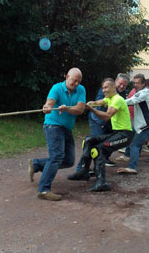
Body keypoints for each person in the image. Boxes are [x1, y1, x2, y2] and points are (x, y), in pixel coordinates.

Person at [28, 68, 86, 201]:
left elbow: (80, 109)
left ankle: (36, 164)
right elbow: (50, 102)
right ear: (66, 77)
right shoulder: (56, 88)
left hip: (66, 128)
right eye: (74, 80)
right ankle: (43, 190)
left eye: (78, 81)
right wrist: (47, 107)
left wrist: (67, 108)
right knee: (57, 156)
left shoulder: (81, 89)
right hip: (53, 125)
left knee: (68, 160)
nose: (76, 83)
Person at [67, 78, 133, 191]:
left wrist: (91, 109)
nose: (104, 90)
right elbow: (97, 102)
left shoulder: (118, 100)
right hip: (117, 133)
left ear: (113, 87)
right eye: (103, 88)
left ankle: (102, 182)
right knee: (89, 140)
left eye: (106, 87)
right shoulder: (109, 98)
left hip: (125, 135)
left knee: (100, 149)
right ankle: (84, 171)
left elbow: (107, 116)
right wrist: (86, 104)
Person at [116, 74, 149, 174]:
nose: (135, 85)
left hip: (148, 125)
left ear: (143, 84)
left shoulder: (144, 93)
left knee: (135, 144)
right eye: (134, 83)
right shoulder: (140, 92)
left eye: (137, 83)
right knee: (132, 134)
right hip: (145, 124)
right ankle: (127, 156)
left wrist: (115, 101)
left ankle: (132, 167)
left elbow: (131, 101)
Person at [87, 73, 129, 167]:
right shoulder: (106, 89)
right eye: (120, 84)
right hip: (97, 121)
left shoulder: (122, 93)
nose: (122, 86)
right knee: (95, 143)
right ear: (115, 82)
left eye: (124, 85)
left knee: (110, 141)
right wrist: (92, 104)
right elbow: (99, 101)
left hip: (110, 121)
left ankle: (103, 160)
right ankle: (86, 166)